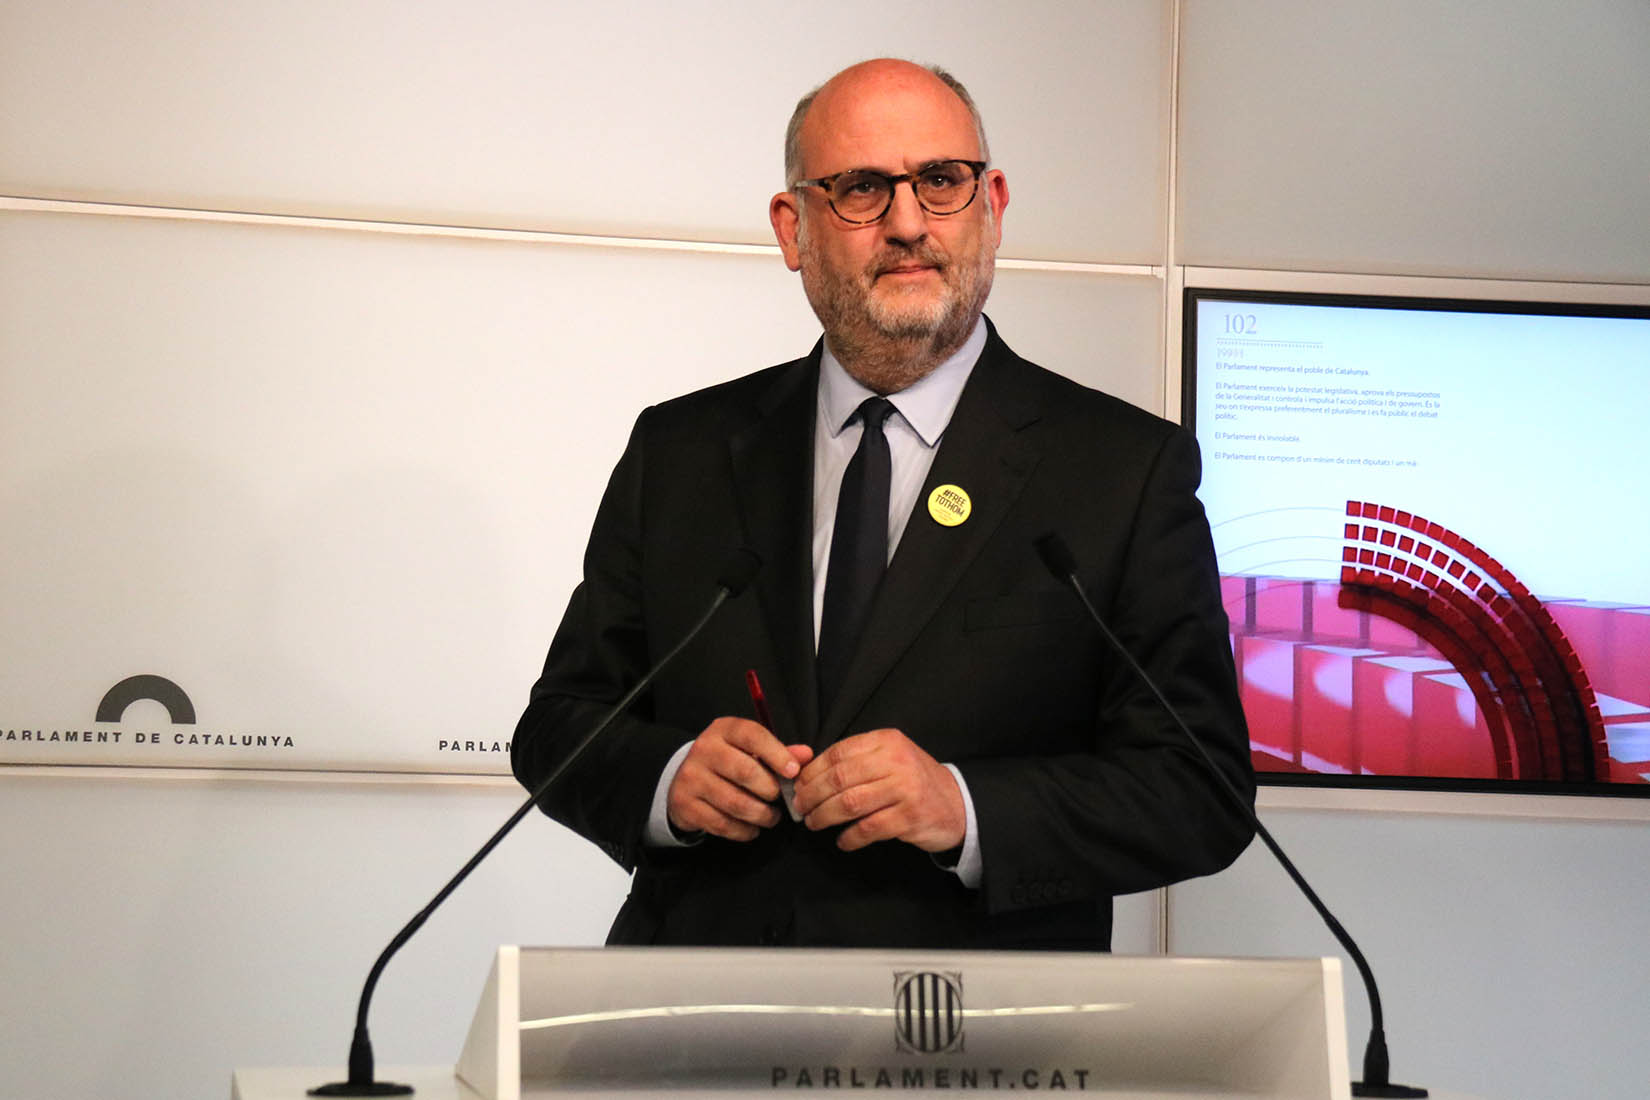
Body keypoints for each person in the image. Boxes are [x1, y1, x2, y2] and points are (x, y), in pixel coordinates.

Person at [511, 58, 1254, 949]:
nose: (908, 223)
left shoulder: (1122, 471)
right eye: (862, 189)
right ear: (793, 228)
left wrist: (966, 808)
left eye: (941, 181)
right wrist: (667, 780)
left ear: (992, 205)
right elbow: (559, 725)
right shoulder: (682, 451)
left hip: (979, 1016)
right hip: (706, 1004)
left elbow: (1199, 787)